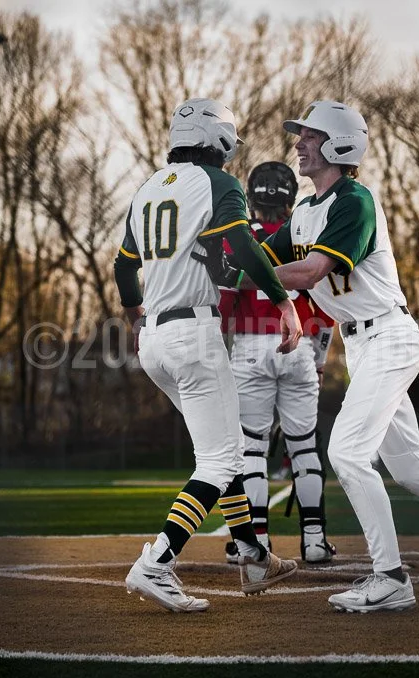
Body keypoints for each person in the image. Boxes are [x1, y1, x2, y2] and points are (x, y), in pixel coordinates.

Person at [237, 101, 419, 611]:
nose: (298, 144)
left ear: (339, 144)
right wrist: (221, 260)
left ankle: (391, 576)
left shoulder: (354, 200)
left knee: (348, 454)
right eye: (300, 136)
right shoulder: (306, 210)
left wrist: (244, 274)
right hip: (362, 344)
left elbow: (307, 273)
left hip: (390, 338)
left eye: (309, 136)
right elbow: (261, 258)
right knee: (411, 467)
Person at [114, 98, 301, 613]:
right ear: (217, 140)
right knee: (220, 457)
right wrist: (284, 303)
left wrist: (136, 319)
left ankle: (253, 556)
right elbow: (240, 246)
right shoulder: (218, 184)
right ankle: (157, 562)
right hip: (193, 333)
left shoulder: (146, 187)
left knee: (223, 449)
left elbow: (124, 266)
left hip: (155, 338)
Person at [218, 161, 336, 565]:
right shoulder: (304, 233)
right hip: (300, 343)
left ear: (251, 196)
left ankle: (259, 542)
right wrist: (318, 359)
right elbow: (326, 306)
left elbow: (225, 298)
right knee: (304, 448)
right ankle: (316, 540)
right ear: (290, 197)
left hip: (250, 346)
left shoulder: (239, 238)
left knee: (252, 449)